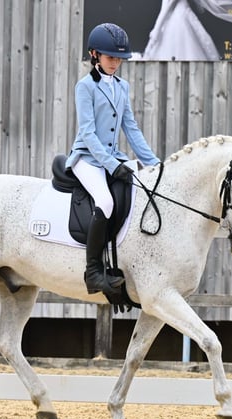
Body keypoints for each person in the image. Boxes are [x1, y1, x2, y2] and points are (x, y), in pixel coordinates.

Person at [66, 23, 161, 295]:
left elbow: (130, 128)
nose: (115, 63)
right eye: (110, 57)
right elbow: (87, 132)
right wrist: (111, 165)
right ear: (94, 54)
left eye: (119, 58)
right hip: (87, 158)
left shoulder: (122, 87)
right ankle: (93, 272)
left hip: (113, 157)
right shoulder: (84, 87)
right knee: (105, 201)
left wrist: (153, 164)